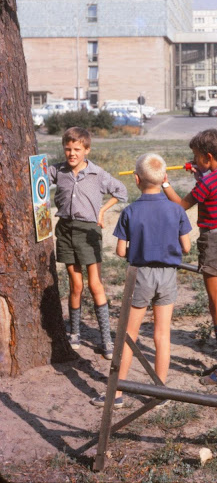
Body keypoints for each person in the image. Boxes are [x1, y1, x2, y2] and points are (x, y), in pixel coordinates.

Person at [91, 153, 192, 409]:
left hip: (140, 276)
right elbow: (187, 247)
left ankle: (117, 392)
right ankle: (160, 392)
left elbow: (120, 251)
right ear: (164, 178)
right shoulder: (176, 210)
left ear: (136, 179)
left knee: (128, 335)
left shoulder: (130, 211)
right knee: (162, 334)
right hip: (167, 276)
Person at [163, 129, 217, 385]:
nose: (194, 160)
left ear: (208, 157)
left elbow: (180, 206)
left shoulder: (207, 184)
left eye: (197, 156)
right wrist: (201, 174)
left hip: (214, 244)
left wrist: (165, 183)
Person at [48, 126, 127, 359]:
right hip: (65, 230)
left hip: (88, 231)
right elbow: (35, 177)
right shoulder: (57, 171)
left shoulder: (97, 173)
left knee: (95, 285)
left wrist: (101, 211)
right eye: (68, 149)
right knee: (76, 285)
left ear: (87, 150)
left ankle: (106, 340)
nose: (72, 154)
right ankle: (75, 333)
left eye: (77, 149)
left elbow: (121, 191)